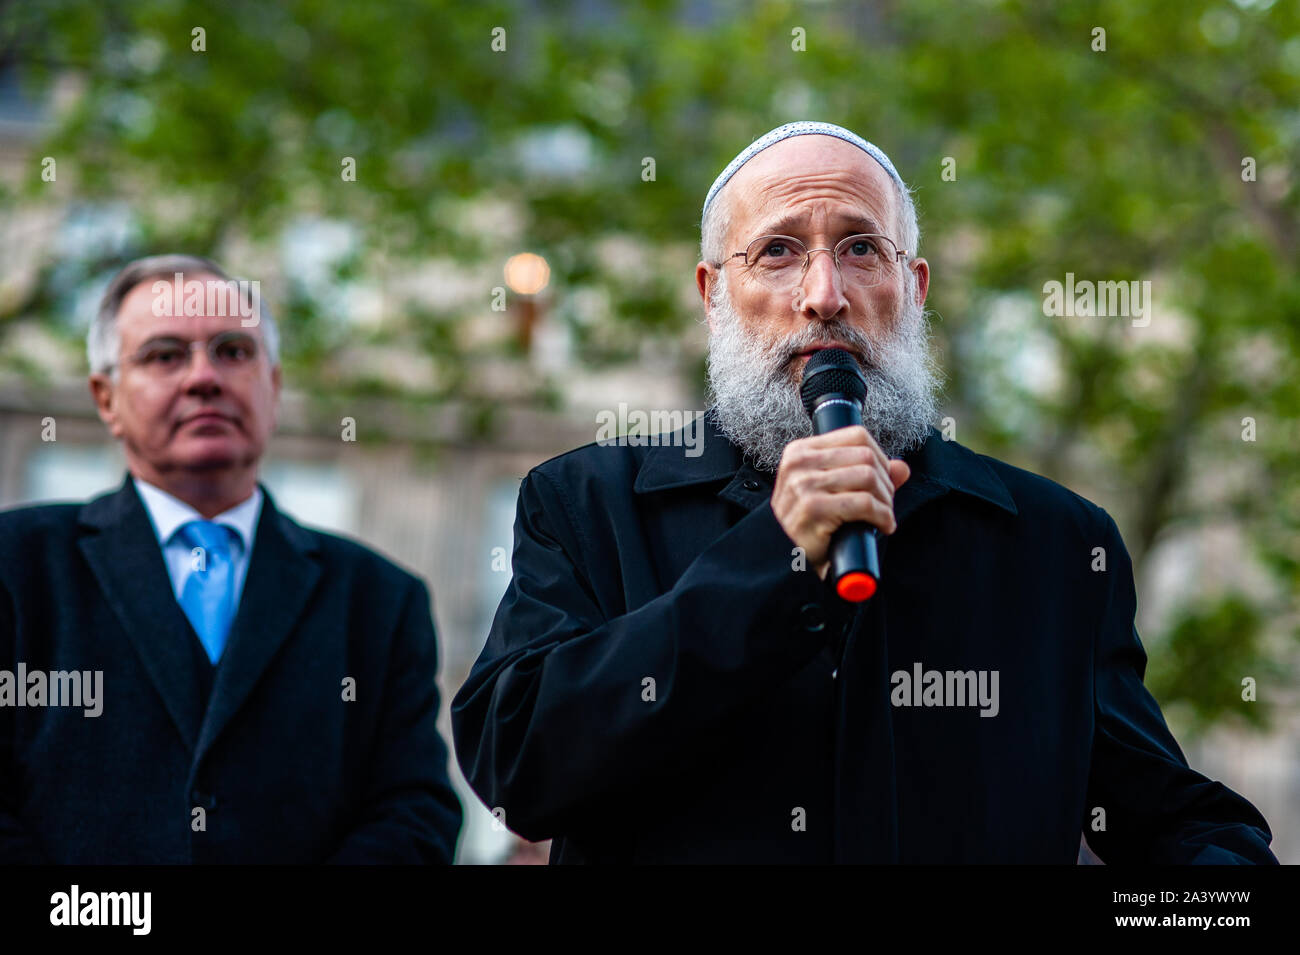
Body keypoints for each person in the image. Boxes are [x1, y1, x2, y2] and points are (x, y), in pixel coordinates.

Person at [452, 122, 1278, 864]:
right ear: (711, 295)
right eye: (777, 251)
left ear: (913, 287)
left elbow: (1178, 826)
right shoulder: (587, 504)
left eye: (859, 248)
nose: (824, 295)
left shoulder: (1055, 544)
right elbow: (516, 762)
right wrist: (772, 559)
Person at [0, 255, 462, 863]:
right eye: (165, 355)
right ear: (105, 397)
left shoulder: (380, 599)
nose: (203, 378)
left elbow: (414, 807)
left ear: (273, 386)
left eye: (233, 352)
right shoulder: (16, 566)